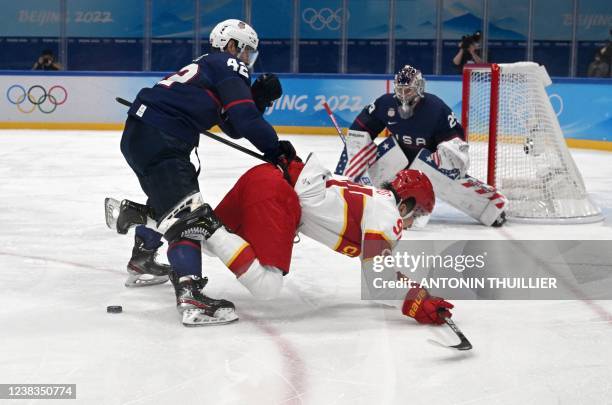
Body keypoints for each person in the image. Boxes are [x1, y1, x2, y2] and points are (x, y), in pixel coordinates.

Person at [108, 154, 453, 326]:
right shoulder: (388, 213)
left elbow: (382, 272)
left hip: (265, 179)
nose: (411, 222)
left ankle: (144, 216)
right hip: (278, 197)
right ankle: (203, 224)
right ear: (405, 203)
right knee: (268, 286)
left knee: (216, 248)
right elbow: (378, 280)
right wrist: (415, 304)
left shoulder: (374, 198)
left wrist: (417, 292)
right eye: (416, 213)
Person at [118, 18, 289, 327]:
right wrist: (277, 150)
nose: (248, 60)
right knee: (190, 217)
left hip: (142, 136)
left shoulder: (209, 65)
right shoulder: (228, 63)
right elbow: (245, 120)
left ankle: (142, 255)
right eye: (247, 51)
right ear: (233, 45)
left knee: (171, 203)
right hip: (162, 138)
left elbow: (232, 126)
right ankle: (191, 295)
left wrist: (258, 99)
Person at [340, 64, 506, 227]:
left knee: (449, 174)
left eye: (408, 90)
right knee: (362, 157)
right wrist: (355, 158)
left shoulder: (436, 108)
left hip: (429, 161)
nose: (403, 95)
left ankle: (491, 208)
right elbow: (359, 131)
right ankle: (349, 199)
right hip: (398, 157)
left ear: (419, 88)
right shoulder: (385, 103)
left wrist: (447, 155)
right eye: (400, 89)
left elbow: (456, 142)